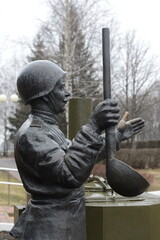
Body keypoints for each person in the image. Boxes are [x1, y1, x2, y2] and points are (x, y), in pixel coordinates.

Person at [10, 60, 144, 240]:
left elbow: (78, 157)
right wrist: (93, 126)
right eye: (60, 88)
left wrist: (116, 136)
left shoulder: (47, 128)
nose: (66, 94)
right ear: (44, 94)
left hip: (63, 223)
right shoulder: (33, 134)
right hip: (51, 229)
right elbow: (70, 173)